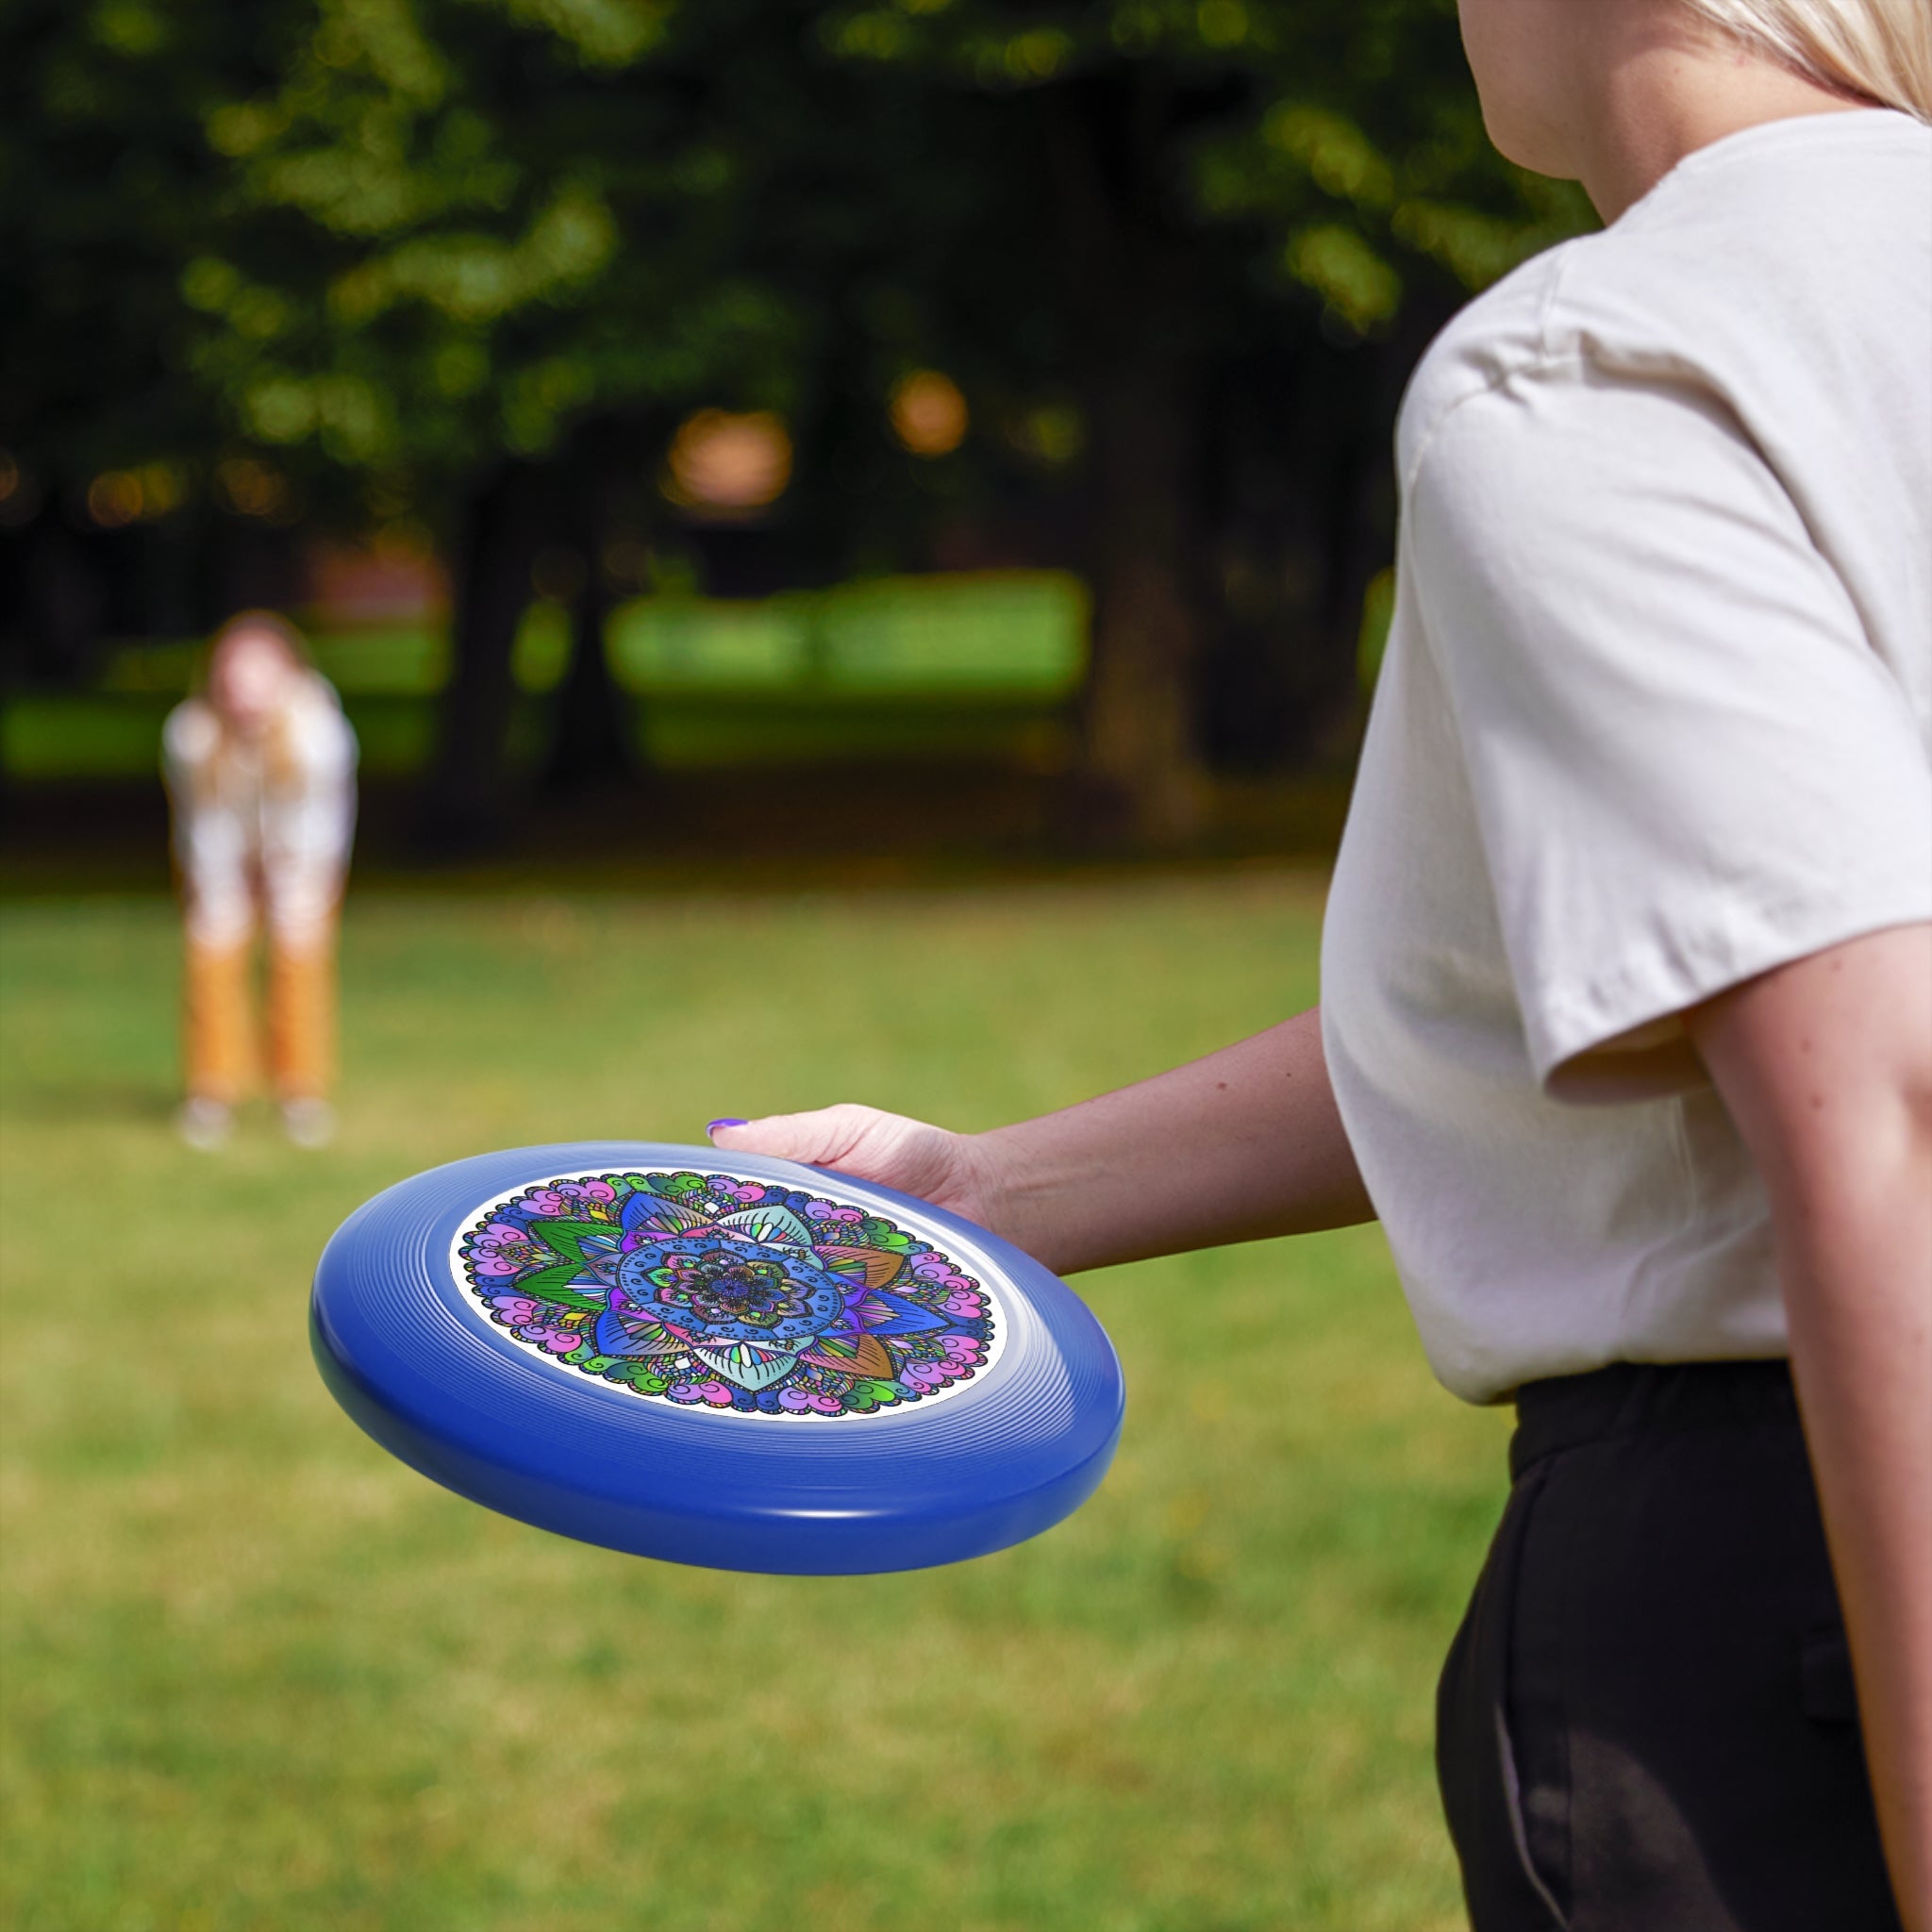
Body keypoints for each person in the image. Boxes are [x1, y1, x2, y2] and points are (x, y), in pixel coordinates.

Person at [706, 2, 1932, 1925]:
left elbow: (1885, 1100)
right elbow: (1634, 988)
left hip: (1795, 1592)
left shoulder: (1608, 361)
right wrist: (988, 1191)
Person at [162, 611, 358, 1150]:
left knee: (299, 958)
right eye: (233, 675)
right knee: (212, 952)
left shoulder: (319, 734)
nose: (244, 691)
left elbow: (318, 824)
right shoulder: (191, 735)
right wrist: (224, 888)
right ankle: (212, 1091)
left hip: (302, 858)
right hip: (221, 856)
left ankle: (301, 1092)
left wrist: (287, 881)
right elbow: (204, 824)